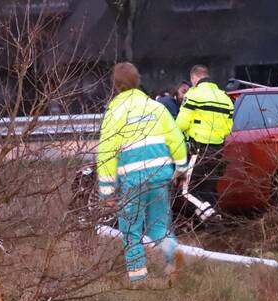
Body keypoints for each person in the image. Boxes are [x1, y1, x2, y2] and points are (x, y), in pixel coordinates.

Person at [97, 62, 187, 283]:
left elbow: (106, 154)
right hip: (159, 175)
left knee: (131, 231)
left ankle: (139, 279)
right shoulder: (156, 108)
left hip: (133, 180)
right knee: (158, 226)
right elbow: (175, 138)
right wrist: (182, 167)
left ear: (116, 86)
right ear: (138, 81)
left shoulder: (114, 113)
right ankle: (171, 251)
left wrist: (107, 192)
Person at [176, 65, 234, 211]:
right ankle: (214, 224)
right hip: (217, 150)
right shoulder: (225, 97)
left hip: (198, 149)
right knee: (208, 190)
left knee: (187, 191)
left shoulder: (194, 94)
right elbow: (228, 128)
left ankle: (211, 216)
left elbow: (181, 124)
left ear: (194, 78)